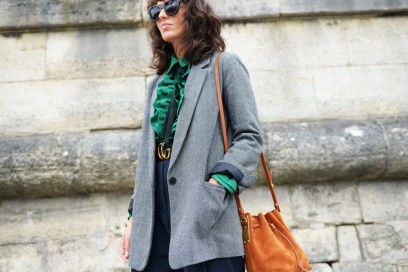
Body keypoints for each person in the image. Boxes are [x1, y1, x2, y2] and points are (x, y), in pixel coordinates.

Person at [120, 0, 263, 271]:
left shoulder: (224, 66)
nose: (161, 14)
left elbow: (249, 136)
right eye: (155, 10)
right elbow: (146, 158)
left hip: (206, 219)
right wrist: (133, 217)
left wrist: (215, 189)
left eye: (171, 5)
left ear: (194, 10)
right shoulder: (157, 85)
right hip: (153, 225)